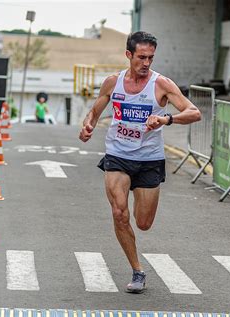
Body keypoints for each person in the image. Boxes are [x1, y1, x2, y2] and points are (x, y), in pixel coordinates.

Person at [79, 31, 201, 293]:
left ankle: (137, 201)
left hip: (149, 160)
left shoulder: (162, 84)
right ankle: (137, 270)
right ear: (129, 55)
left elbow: (194, 112)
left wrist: (166, 119)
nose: (146, 63)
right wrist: (88, 123)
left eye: (151, 58)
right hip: (118, 155)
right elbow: (95, 110)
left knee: (143, 222)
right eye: (142, 57)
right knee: (119, 213)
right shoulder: (113, 83)